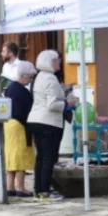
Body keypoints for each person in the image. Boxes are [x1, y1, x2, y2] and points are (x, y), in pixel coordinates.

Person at [27, 50, 70, 201]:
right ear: (51, 61)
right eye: (57, 60)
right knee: (48, 157)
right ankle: (45, 190)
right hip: (48, 121)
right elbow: (52, 104)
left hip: (35, 119)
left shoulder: (39, 76)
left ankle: (38, 188)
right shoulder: (51, 78)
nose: (59, 62)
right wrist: (67, 102)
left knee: (41, 157)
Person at [3, 61, 36, 197]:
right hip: (20, 126)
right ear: (23, 76)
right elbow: (26, 112)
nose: (30, 81)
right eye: (29, 78)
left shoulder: (10, 88)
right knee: (20, 156)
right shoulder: (23, 92)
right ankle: (21, 188)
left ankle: (10, 187)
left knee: (11, 156)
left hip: (8, 124)